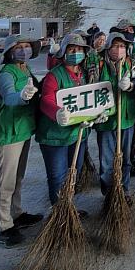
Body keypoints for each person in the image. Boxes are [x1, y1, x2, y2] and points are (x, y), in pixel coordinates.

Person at [0, 35, 43, 248]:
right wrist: (23, 96)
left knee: (17, 177)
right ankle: (4, 226)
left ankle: (17, 213)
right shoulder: (5, 74)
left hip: (22, 131)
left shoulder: (24, 70)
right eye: (18, 47)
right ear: (9, 52)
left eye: (27, 46)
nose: (23, 50)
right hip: (7, 133)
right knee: (6, 181)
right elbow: (9, 97)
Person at [37, 33, 99, 206]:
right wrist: (57, 113)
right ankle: (60, 212)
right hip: (55, 136)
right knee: (58, 176)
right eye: (72, 49)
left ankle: (69, 208)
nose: (76, 53)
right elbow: (46, 99)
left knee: (74, 173)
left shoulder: (84, 74)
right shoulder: (54, 75)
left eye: (79, 50)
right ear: (63, 52)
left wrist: (96, 114)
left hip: (78, 134)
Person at [94, 32, 135, 197]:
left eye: (122, 46)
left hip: (126, 119)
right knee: (107, 162)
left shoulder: (133, 64)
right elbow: (90, 89)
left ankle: (124, 190)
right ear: (108, 47)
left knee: (125, 159)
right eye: (115, 45)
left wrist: (130, 86)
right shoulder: (99, 65)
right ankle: (109, 193)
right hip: (105, 120)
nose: (119, 49)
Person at [110, 19, 135, 177]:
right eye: (125, 29)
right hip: (112, 98)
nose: (129, 31)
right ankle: (114, 164)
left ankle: (130, 160)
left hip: (133, 99)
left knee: (132, 133)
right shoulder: (112, 47)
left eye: (131, 29)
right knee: (112, 134)